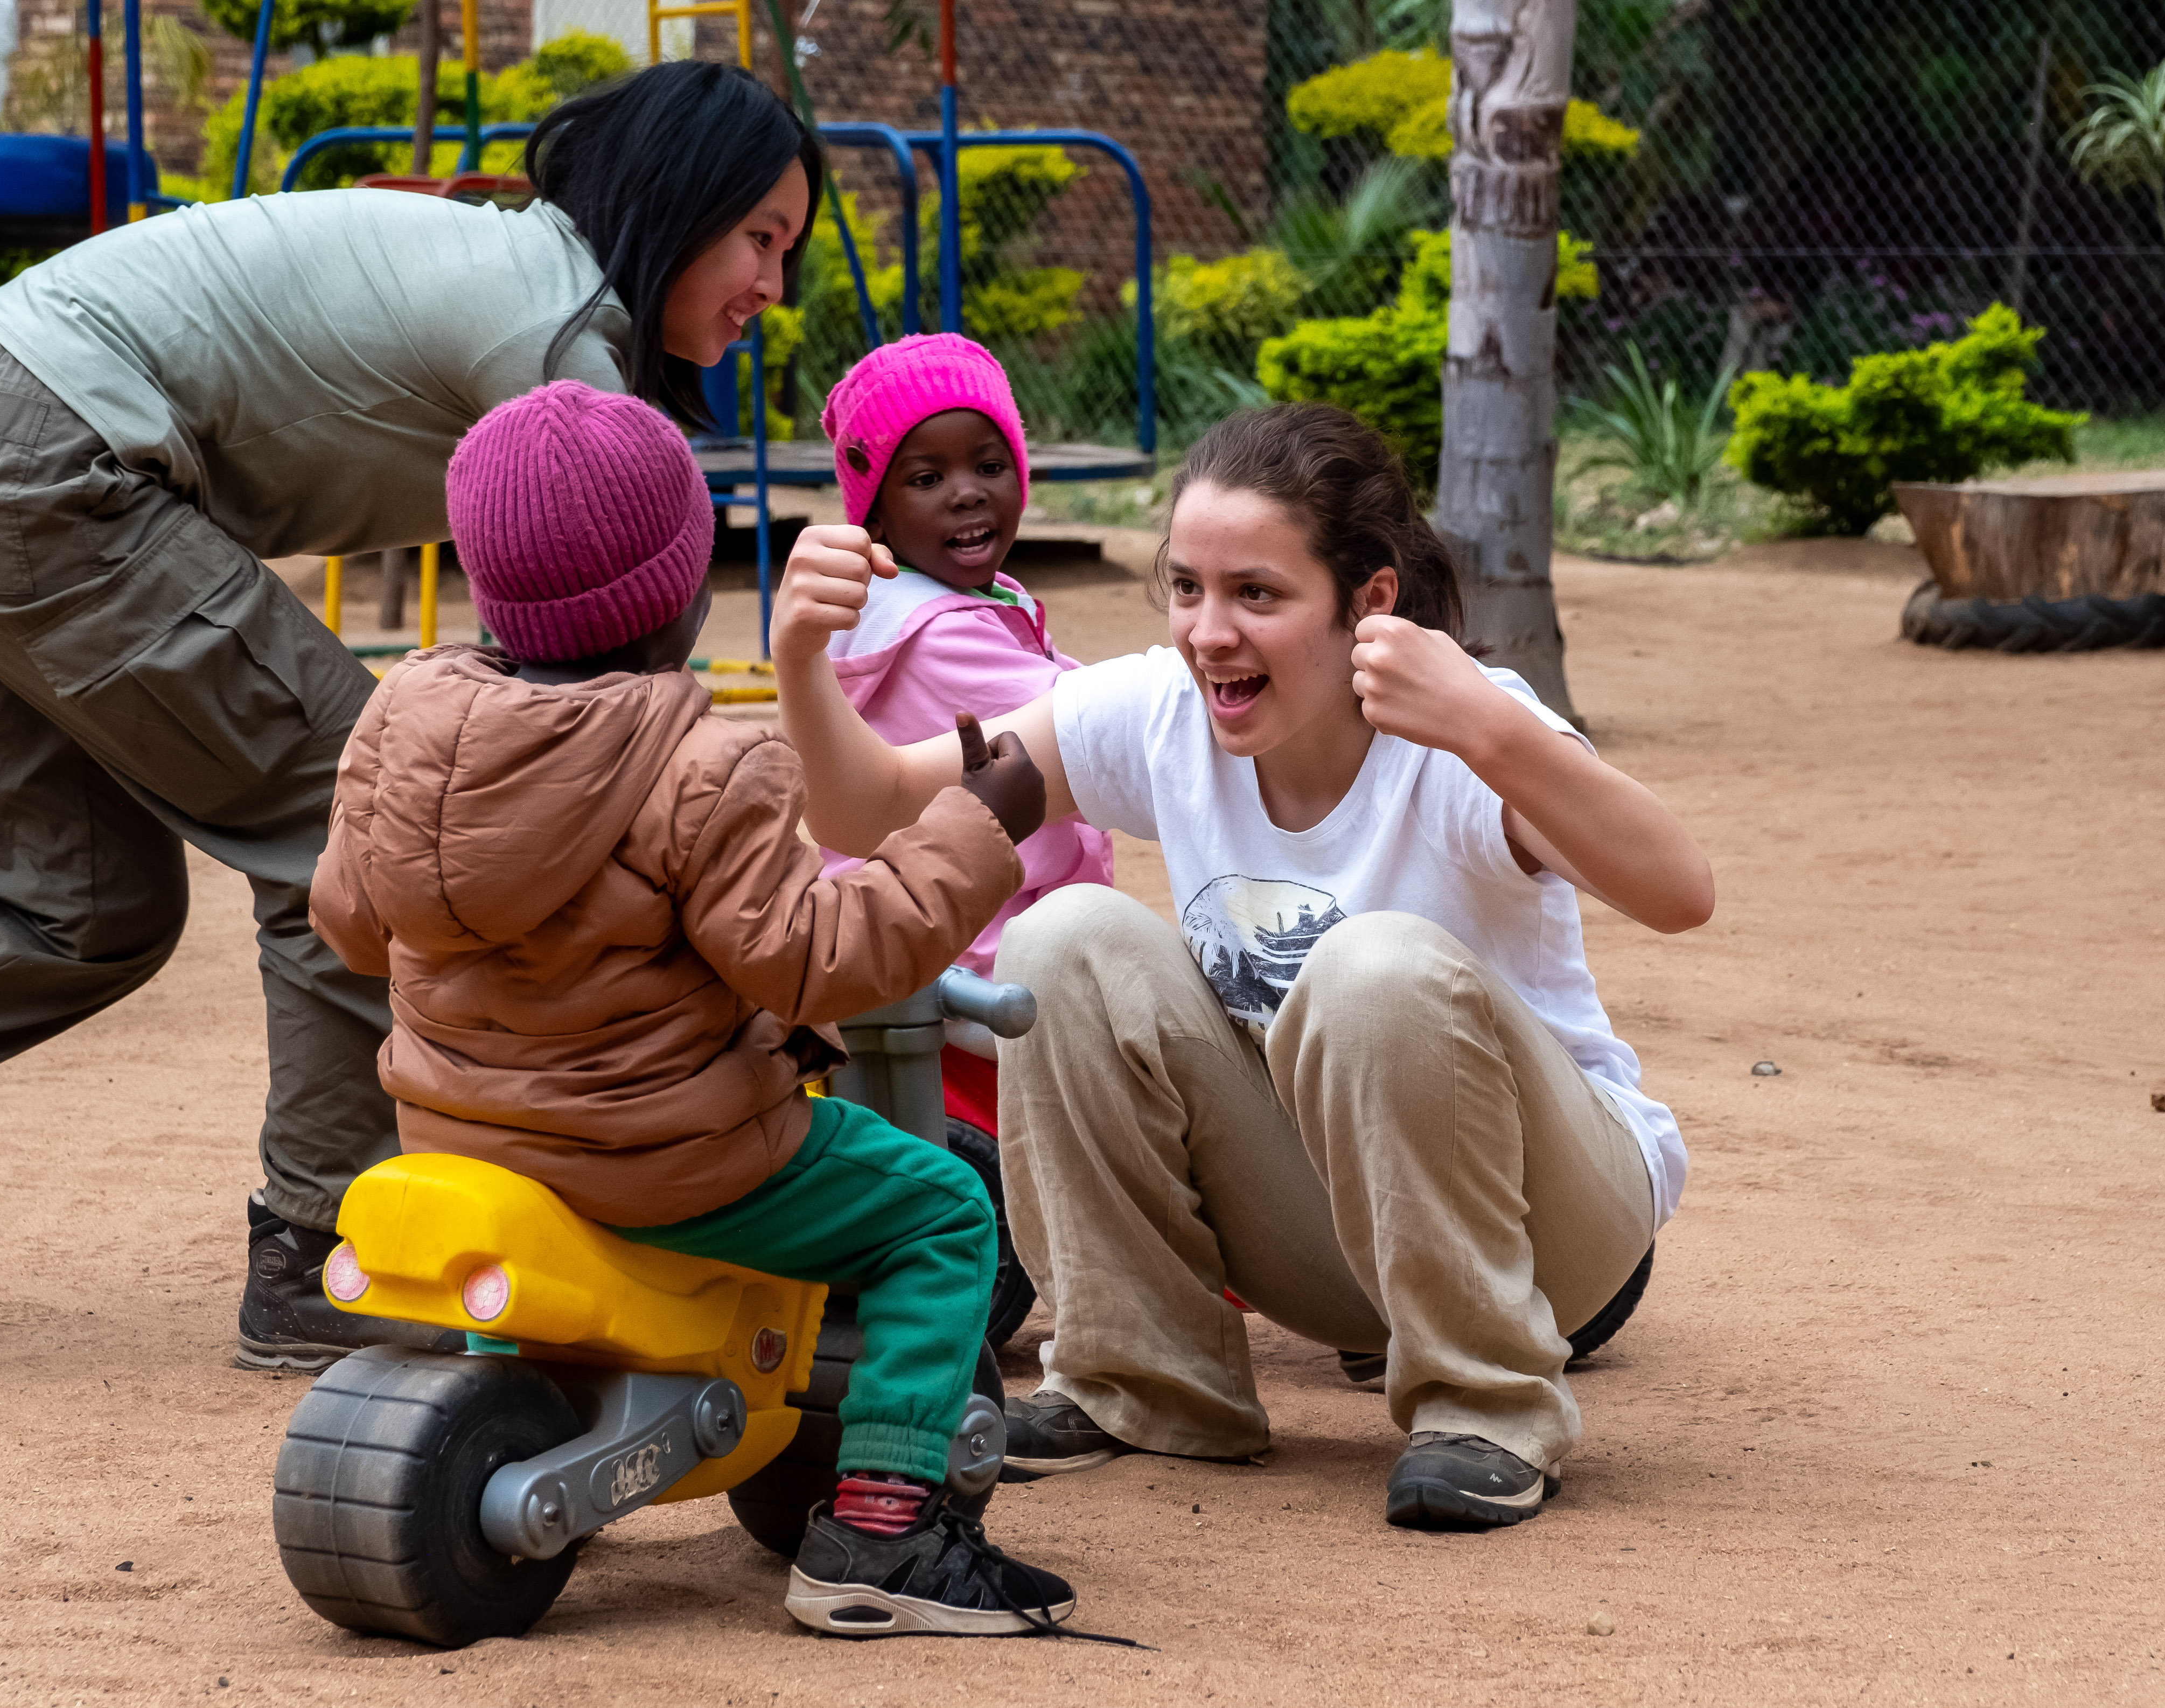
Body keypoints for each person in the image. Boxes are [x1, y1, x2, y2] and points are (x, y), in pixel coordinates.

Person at [0, 61, 822, 1370]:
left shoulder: (521, 287)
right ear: (679, 200)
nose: (773, 285)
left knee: (71, 908)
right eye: (760, 238)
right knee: (359, 821)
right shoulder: (553, 337)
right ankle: (319, 1251)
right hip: (45, 461)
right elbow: (602, 687)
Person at [767, 401, 1715, 1531]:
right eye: (1185, 587)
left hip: (1555, 1227)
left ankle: (1487, 1402)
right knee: (1063, 935)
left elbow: (1678, 891)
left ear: (1367, 601)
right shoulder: (1159, 713)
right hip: (1341, 1239)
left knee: (1368, 967)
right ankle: (1140, 1376)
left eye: (1255, 594)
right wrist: (798, 655)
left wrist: (1487, 726)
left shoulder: (1460, 730)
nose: (1207, 630)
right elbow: (874, 805)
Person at [311, 379, 1080, 1636]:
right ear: (681, 590)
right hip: (671, 1157)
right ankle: (888, 1532)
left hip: (456, 1130)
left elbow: (346, 920)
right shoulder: (702, 762)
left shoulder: (400, 717)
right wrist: (970, 828)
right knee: (942, 1207)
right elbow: (815, 964)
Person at [812, 333, 1111, 1134]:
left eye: (989, 465)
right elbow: (1090, 722)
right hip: (976, 947)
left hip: (935, 922)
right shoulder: (937, 631)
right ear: (874, 510)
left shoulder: (931, 596)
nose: (967, 493)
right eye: (926, 477)